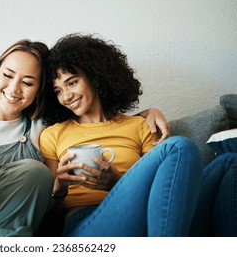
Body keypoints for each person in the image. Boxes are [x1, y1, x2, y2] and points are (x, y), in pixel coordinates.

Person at [0, 38, 171, 237]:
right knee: (33, 171)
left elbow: (97, 122)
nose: (14, 89)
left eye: (27, 82)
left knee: (34, 173)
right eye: (7, 75)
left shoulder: (42, 128)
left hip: (13, 231)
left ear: (39, 91)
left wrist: (145, 114)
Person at [40, 33, 205, 236]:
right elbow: (46, 218)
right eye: (58, 91)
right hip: (84, 223)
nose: (66, 96)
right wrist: (59, 189)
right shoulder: (52, 135)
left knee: (228, 163)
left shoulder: (139, 126)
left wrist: (116, 183)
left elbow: (164, 192)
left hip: (142, 216)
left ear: (95, 76)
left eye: (72, 83)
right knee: (179, 146)